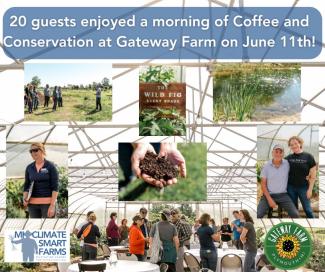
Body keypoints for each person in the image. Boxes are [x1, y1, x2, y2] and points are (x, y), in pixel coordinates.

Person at [257, 144, 300, 218]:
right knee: (258, 214)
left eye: (281, 152)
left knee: (295, 214)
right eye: (276, 152)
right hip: (268, 195)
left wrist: (308, 175)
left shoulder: (287, 164)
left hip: (283, 195)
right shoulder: (266, 166)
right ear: (272, 153)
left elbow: (299, 169)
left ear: (283, 154)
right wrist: (269, 199)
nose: (278, 154)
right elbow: (263, 185)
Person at [23, 143, 59, 218]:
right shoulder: (29, 167)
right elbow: (26, 185)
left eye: (35, 150)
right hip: (32, 204)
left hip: (47, 203)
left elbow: (55, 187)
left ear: (42, 150)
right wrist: (24, 199)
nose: (33, 153)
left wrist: (52, 206)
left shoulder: (50, 166)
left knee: (48, 227)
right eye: (31, 151)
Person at [286, 136, 317, 218]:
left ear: (300, 143)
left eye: (295, 143)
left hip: (303, 187)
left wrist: (310, 190)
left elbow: (313, 176)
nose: (294, 146)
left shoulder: (309, 157)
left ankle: (313, 224)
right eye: (291, 145)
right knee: (293, 210)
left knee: (308, 209)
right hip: (291, 187)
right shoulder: (288, 158)